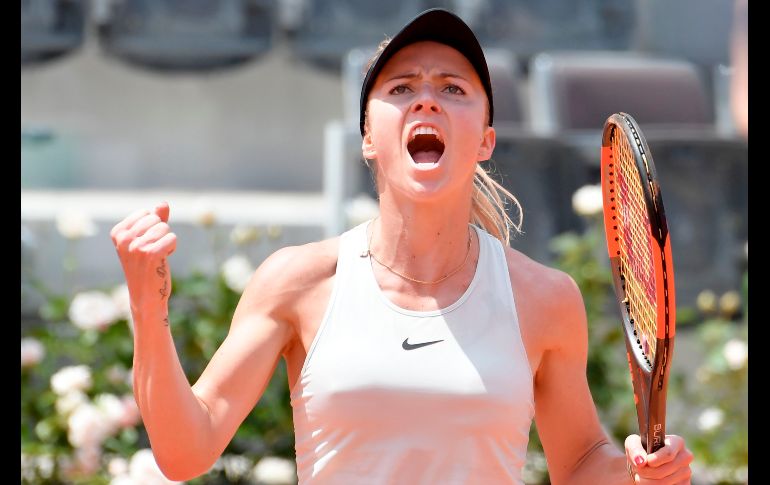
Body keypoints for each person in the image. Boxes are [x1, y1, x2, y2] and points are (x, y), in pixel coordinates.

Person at [111, 8, 694, 484]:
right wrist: (146, 308)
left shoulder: (544, 297)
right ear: (368, 137)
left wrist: (643, 473)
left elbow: (581, 464)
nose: (427, 100)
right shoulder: (298, 281)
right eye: (402, 87)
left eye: (452, 87)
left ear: (486, 139)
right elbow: (186, 451)